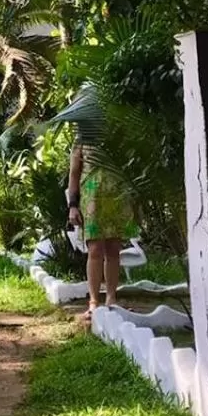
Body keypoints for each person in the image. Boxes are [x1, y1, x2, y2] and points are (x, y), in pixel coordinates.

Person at [67, 136, 137, 320]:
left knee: (114, 249)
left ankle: (112, 299)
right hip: (91, 197)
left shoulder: (117, 131)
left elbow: (130, 165)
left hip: (117, 196)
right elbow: (74, 173)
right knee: (95, 249)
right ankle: (93, 302)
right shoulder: (81, 138)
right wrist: (72, 205)